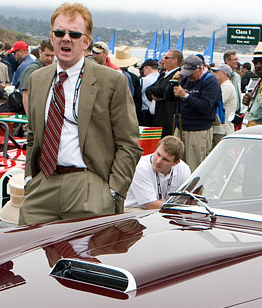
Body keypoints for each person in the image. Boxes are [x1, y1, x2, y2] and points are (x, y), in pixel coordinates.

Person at [17, 2, 140, 225]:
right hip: (43, 183)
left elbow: (129, 143)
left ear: (86, 41)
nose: (66, 38)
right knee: (28, 255)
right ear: (51, 37)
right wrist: (29, 179)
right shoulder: (38, 78)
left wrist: (113, 192)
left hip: (90, 186)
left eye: (74, 34)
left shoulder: (111, 81)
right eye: (60, 32)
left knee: (85, 257)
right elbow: (34, 135)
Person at [166, 53, 219, 170]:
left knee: (194, 167)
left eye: (191, 73)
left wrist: (185, 96)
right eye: (186, 73)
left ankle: (195, 189)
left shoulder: (210, 81)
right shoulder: (185, 79)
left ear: (201, 68)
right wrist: (173, 83)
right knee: (176, 166)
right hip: (181, 126)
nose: (188, 77)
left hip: (198, 129)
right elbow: (168, 98)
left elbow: (205, 107)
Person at [125, 134, 191, 209]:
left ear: (176, 163)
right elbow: (151, 204)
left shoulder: (184, 169)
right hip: (135, 209)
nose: (158, 161)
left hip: (165, 210)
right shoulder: (141, 166)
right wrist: (179, 208)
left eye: (165, 159)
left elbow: (188, 199)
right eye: (158, 154)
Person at [145, 49, 181, 136]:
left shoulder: (177, 75)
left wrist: (156, 91)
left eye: (166, 57)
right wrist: (153, 94)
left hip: (166, 119)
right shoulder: (163, 75)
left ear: (174, 60)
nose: (163, 60)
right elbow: (148, 89)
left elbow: (163, 91)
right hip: (157, 117)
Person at [19, 39, 54, 115]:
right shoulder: (33, 69)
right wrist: (29, 117)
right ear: (40, 52)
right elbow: (25, 94)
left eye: (52, 56)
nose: (49, 59)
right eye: (47, 55)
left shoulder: (51, 69)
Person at [211, 63, 236, 143]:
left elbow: (215, 102)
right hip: (219, 130)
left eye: (216, 72)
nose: (214, 74)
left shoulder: (227, 86)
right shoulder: (223, 86)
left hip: (223, 130)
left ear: (224, 73)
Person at [138, 57, 159, 125]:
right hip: (159, 113)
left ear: (147, 68)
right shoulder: (162, 79)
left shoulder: (143, 80)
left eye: (144, 70)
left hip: (145, 113)